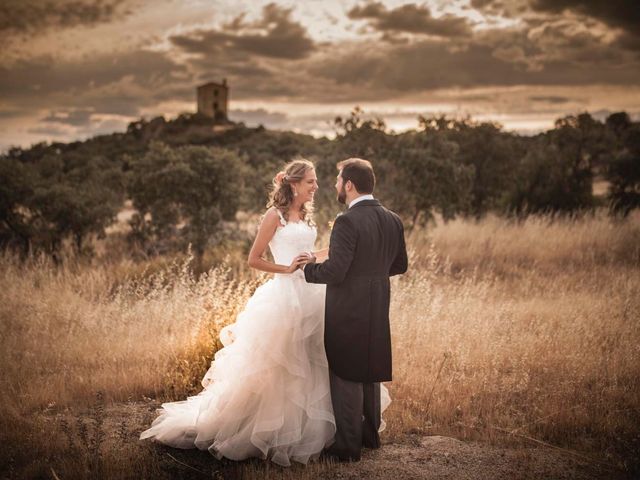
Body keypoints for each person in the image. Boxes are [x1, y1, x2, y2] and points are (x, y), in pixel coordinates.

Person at [139, 159, 336, 467]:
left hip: (311, 293)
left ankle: (303, 434)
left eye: (316, 181)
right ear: (294, 184)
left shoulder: (307, 215)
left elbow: (310, 254)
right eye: (311, 181)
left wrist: (327, 251)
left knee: (310, 363)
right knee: (278, 366)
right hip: (283, 296)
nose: (316, 186)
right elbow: (253, 259)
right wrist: (284, 268)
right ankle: (262, 432)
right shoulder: (275, 215)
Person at [302, 158, 408, 461]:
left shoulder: (347, 220)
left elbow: (335, 272)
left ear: (349, 184)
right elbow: (400, 265)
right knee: (369, 369)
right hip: (378, 305)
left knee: (346, 371)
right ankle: (370, 437)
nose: (335, 184)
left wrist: (308, 270)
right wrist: (371, 276)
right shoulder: (393, 219)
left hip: (348, 306)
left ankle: (348, 448)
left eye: (337, 179)